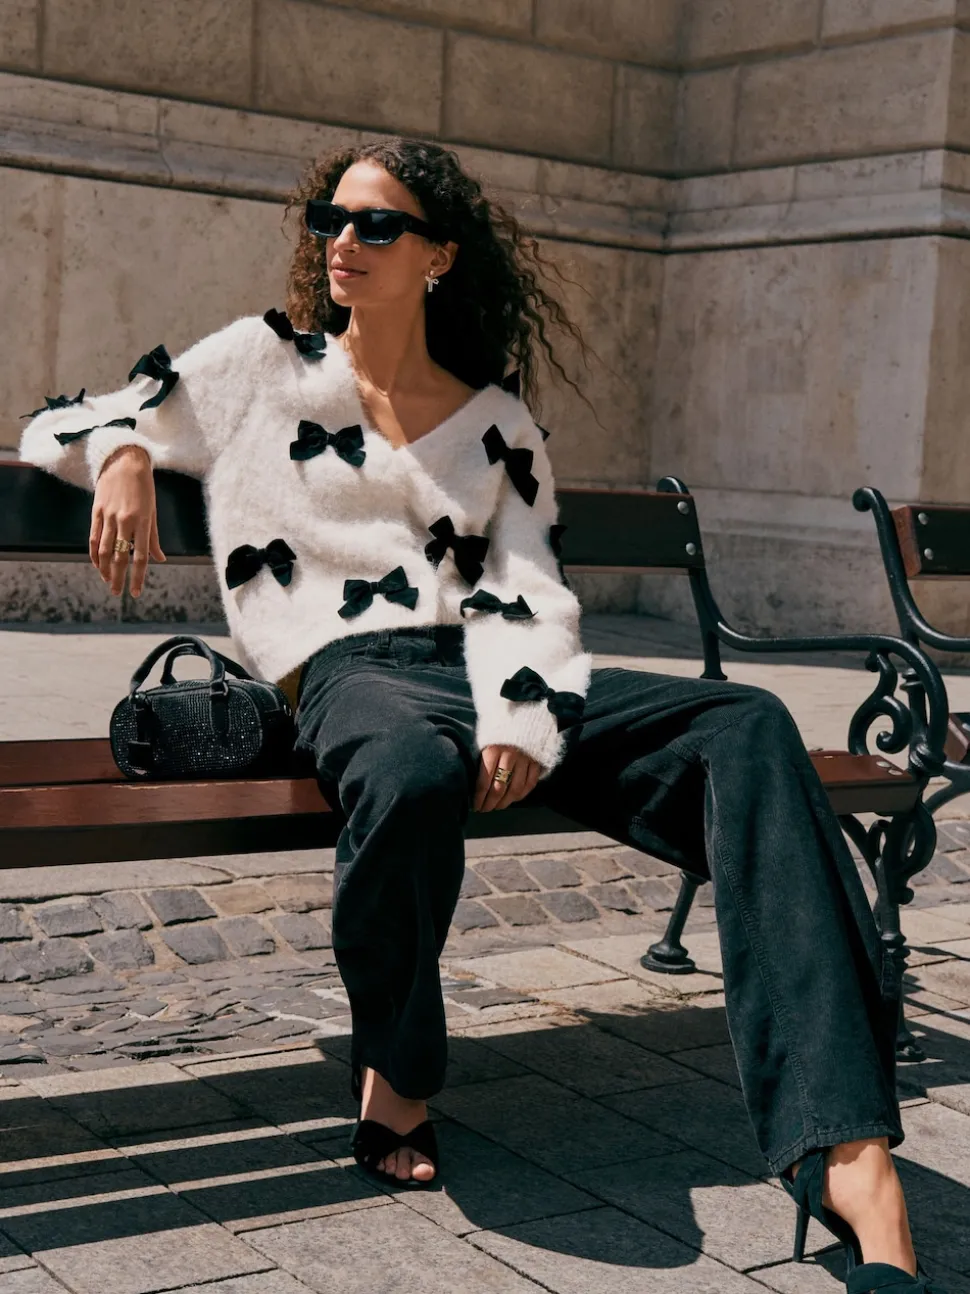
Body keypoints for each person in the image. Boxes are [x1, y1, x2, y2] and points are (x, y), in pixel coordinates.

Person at [18, 138, 940, 1292]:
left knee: (745, 727)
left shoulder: (494, 418)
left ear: (438, 255)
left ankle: (847, 1152)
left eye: (376, 225)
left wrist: (521, 708)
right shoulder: (262, 363)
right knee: (410, 771)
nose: (342, 243)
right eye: (330, 222)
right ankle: (395, 1067)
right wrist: (122, 455)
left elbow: (531, 592)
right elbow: (57, 420)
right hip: (352, 671)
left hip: (495, 669)